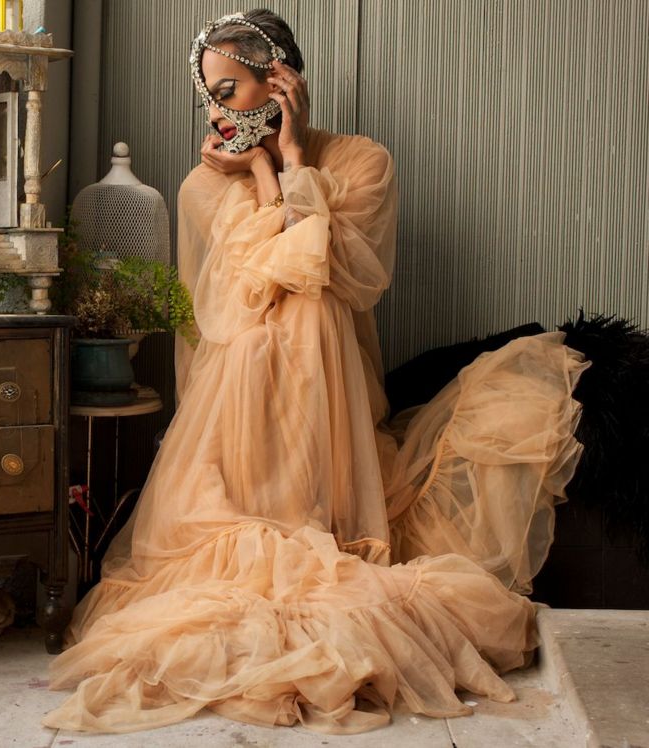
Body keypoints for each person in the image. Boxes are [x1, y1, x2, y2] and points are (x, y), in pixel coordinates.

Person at [42, 9, 587, 735]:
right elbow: (227, 308)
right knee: (271, 320)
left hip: (330, 394)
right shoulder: (203, 186)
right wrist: (261, 170)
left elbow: (336, 274)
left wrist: (290, 162)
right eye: (211, 95)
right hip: (237, 404)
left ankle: (308, 517)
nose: (219, 110)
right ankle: (260, 511)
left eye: (232, 88)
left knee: (310, 302)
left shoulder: (363, 161)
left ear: (283, 83)